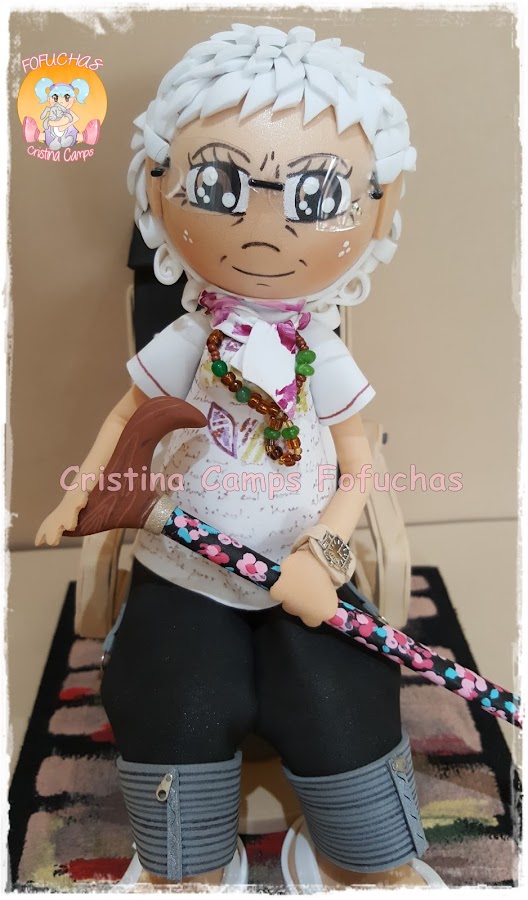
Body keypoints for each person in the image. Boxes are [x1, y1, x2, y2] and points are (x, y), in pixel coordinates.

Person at [36, 24, 445, 890]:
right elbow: (130, 415)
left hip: (299, 564)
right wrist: (80, 494)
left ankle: (357, 858)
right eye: (220, 185)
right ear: (159, 189)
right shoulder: (192, 337)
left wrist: (325, 555)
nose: (264, 224)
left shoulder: (320, 351)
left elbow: (359, 468)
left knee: (341, 690)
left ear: (379, 209)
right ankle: (186, 864)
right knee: (169, 691)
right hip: (184, 562)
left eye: (313, 193)